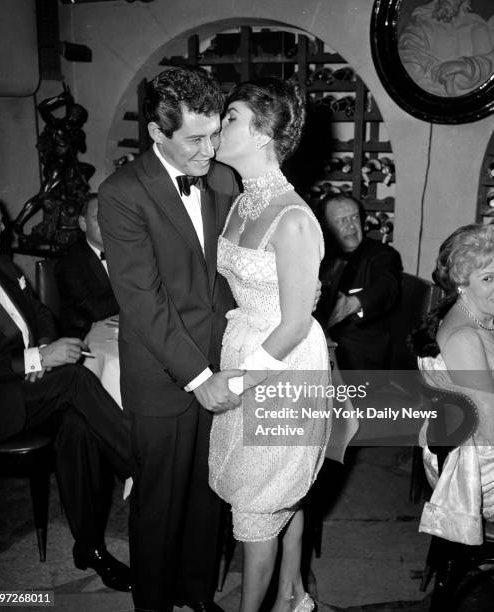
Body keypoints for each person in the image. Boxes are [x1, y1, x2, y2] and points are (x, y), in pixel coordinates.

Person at [98, 66, 243, 612]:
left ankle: (197, 592)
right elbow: (142, 301)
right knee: (158, 502)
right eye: (196, 139)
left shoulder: (223, 178)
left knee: (209, 495)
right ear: (158, 134)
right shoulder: (121, 194)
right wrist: (199, 377)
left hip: (222, 361)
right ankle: (154, 603)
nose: (210, 150)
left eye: (215, 134)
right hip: (164, 375)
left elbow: (225, 278)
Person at [209, 78, 338, 612]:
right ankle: (291, 596)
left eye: (232, 116)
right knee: (268, 492)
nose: (219, 125)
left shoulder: (294, 218)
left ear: (263, 134)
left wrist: (239, 380)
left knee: (260, 507)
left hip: (285, 367)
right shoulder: (241, 203)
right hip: (245, 349)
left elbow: (293, 324)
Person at [0, 194, 132, 591]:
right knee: (75, 380)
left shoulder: (2, 265)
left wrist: (46, 353)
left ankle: (90, 548)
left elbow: (41, 315)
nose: (5, 227)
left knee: (80, 425)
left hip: (27, 389)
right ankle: (142, 465)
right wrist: (35, 360)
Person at [410, 223, 494, 545]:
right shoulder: (463, 337)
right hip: (472, 468)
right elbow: (489, 427)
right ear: (461, 283)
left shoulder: (478, 316)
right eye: (487, 279)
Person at [315, 194, 402, 370]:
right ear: (326, 226)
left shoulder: (382, 254)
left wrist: (353, 303)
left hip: (360, 356)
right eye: (341, 220)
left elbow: (386, 288)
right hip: (320, 348)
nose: (350, 225)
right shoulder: (319, 255)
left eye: (354, 217)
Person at [55, 193, 119, 338]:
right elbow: (96, 312)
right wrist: (137, 290)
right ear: (83, 224)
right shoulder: (68, 264)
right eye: (98, 218)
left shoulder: (129, 252)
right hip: (87, 341)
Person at [398, 0, 494, 96]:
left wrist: (466, 67)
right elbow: (408, 61)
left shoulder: (477, 26)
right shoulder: (420, 25)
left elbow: (488, 65)